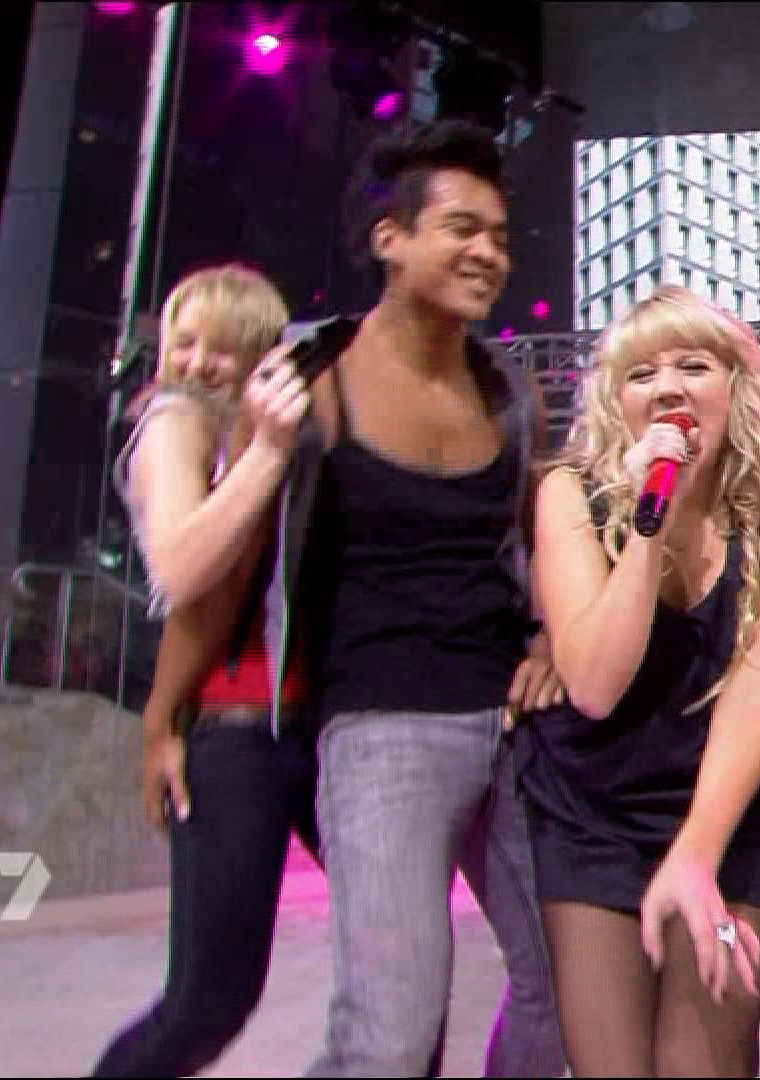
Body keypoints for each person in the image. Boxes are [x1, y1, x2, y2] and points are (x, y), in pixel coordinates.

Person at [249, 119, 565, 1078]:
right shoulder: (308, 376)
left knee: (573, 991)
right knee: (389, 1035)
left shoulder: (508, 391)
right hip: (380, 728)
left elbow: (543, 539)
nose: (489, 253)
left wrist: (551, 637)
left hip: (513, 727)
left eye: (500, 236)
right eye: (462, 229)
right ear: (390, 238)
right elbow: (220, 548)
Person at [515, 286, 760, 1076]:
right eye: (640, 374)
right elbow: (594, 685)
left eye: (693, 366)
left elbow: (756, 694)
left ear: (736, 389)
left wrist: (697, 854)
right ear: (615, 402)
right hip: (594, 815)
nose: (666, 389)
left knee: (700, 1063)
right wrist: (647, 518)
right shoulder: (570, 496)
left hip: (734, 818)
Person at [91, 263, 323, 1077]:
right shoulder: (175, 421)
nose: (195, 363)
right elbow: (185, 574)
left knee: (396, 968)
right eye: (183, 341)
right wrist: (162, 720)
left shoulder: (279, 424)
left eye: (221, 348)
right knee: (207, 1003)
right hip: (234, 729)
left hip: (320, 722)